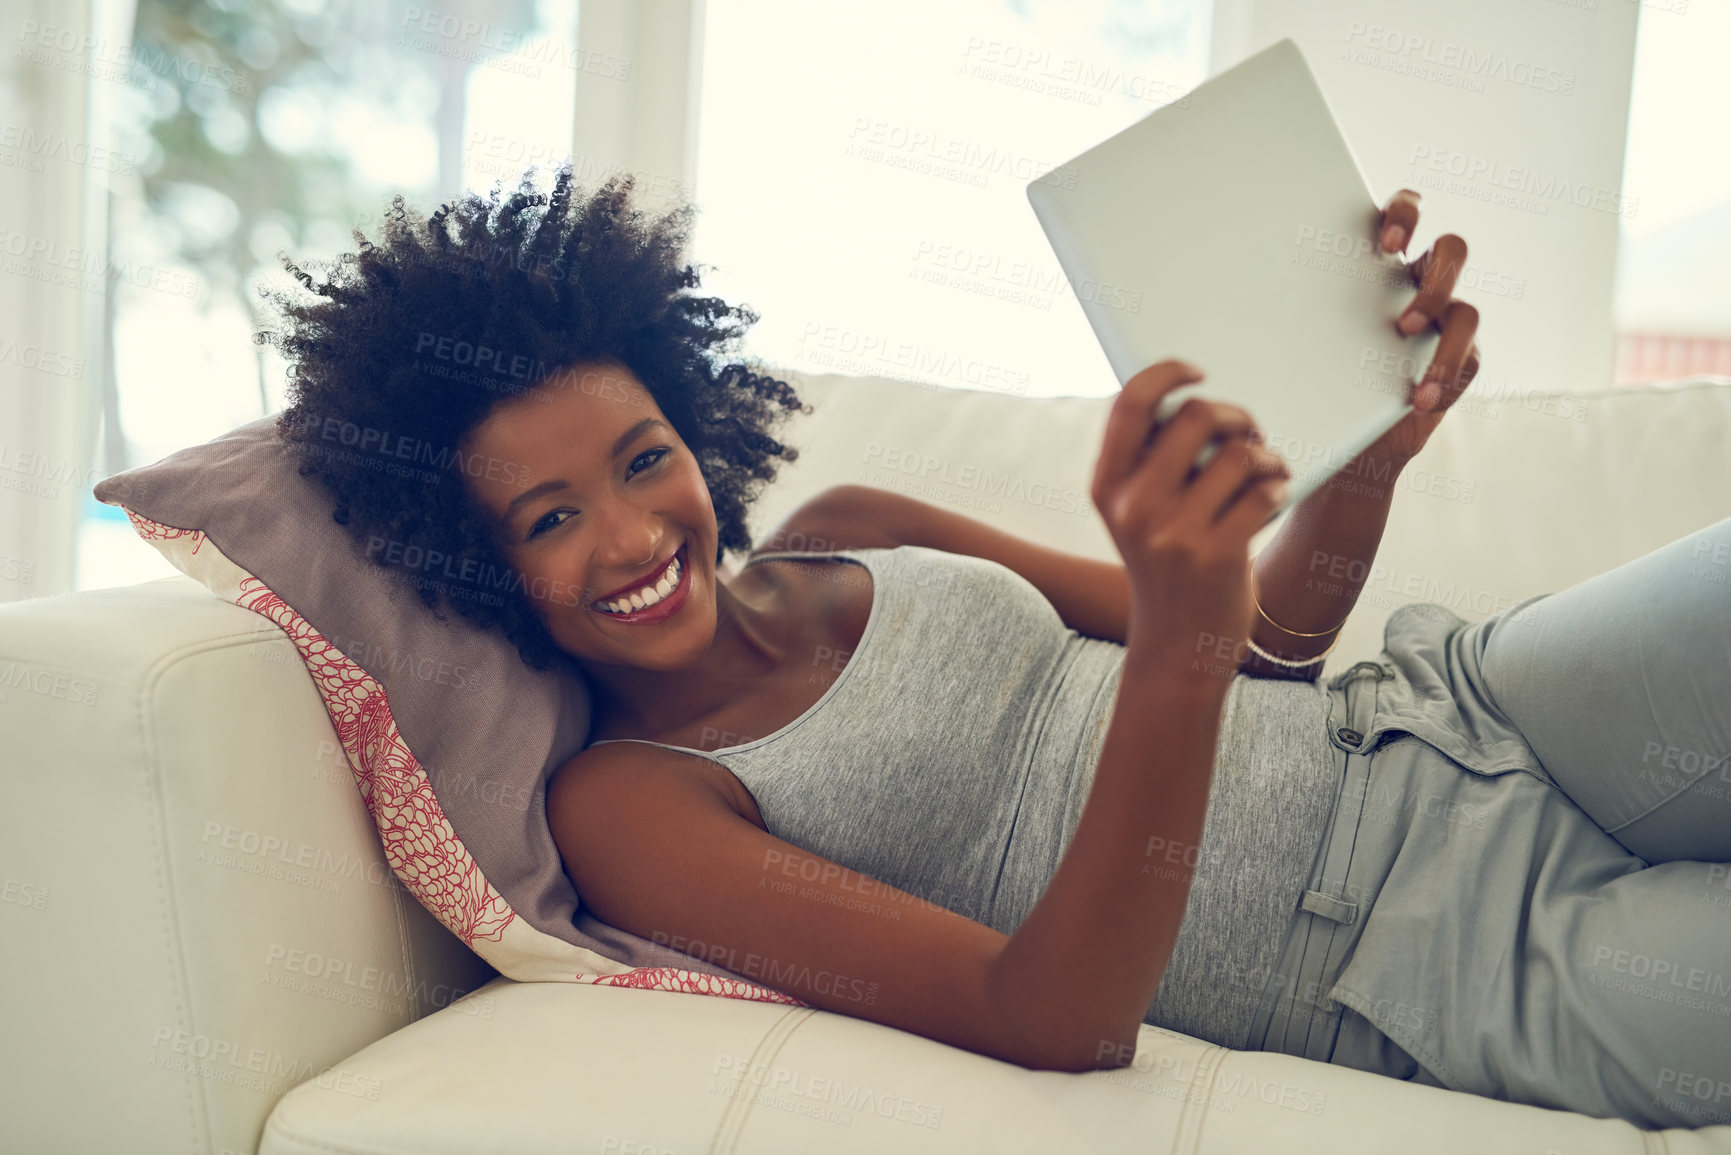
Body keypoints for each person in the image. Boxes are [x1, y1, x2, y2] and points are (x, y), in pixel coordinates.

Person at [267, 165, 1730, 1130]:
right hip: (1430, 954)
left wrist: (1376, 447)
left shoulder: (850, 523)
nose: (634, 534)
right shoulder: (630, 802)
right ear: (479, 564)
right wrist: (1173, 644)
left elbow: (1274, 647)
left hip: (1480, 710)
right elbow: (1055, 1017)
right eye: (549, 518)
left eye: (646, 460)